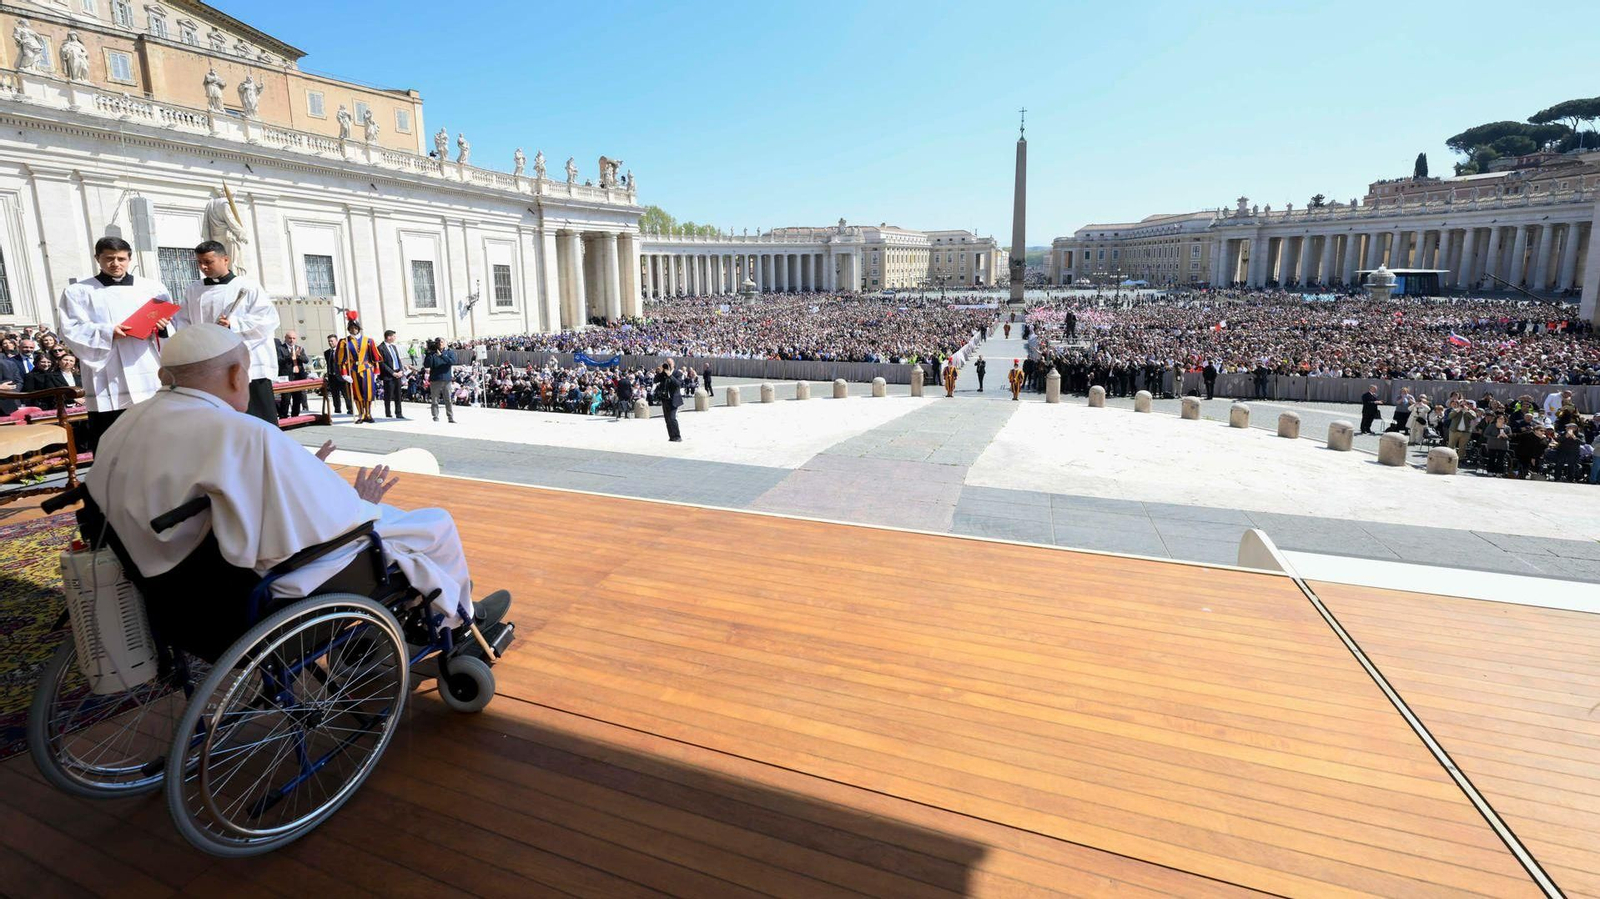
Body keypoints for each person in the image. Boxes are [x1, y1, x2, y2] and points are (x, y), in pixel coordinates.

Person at [86, 324, 490, 644]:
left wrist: (299, 473)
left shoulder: (123, 424)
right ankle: (457, 620)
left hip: (173, 591)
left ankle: (438, 606)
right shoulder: (241, 431)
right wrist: (358, 499)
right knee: (434, 524)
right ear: (236, 375)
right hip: (254, 589)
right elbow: (331, 521)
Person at [55, 236, 174, 449]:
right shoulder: (79, 291)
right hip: (106, 368)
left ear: (129, 259)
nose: (115, 264)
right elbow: (70, 329)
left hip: (144, 363)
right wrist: (108, 332)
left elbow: (170, 324)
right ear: (97, 259)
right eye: (109, 258)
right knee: (112, 434)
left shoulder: (153, 288)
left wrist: (163, 328)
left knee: (153, 429)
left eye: (121, 259)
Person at [175, 240, 280, 425]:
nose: (203, 267)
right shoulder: (193, 290)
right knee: (225, 420)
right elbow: (183, 321)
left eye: (208, 262)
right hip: (212, 361)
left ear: (225, 260)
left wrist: (233, 325)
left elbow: (268, 319)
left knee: (259, 418)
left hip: (249, 361)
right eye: (200, 262)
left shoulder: (248, 286)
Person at [335, 319, 381, 423]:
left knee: (368, 393)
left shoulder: (368, 340)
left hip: (367, 369)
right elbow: (341, 360)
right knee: (357, 393)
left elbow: (375, 358)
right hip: (353, 370)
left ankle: (368, 414)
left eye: (355, 327)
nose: (353, 329)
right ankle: (361, 414)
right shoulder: (344, 342)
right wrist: (344, 374)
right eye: (351, 328)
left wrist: (376, 372)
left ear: (359, 328)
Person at [422, 338, 456, 423]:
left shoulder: (449, 352)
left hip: (446, 379)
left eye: (442, 342)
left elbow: (452, 362)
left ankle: (450, 417)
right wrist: (428, 354)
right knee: (435, 399)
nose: (440, 344)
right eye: (438, 342)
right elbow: (426, 365)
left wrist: (441, 355)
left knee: (448, 399)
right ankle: (435, 416)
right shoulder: (432, 353)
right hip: (435, 379)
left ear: (445, 343)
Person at [275, 331, 309, 418]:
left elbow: (306, 360)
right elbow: (278, 361)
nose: (292, 340)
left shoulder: (299, 348)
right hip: (286, 377)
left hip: (298, 376)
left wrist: (299, 356)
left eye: (294, 338)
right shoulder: (280, 349)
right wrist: (289, 356)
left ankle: (295, 417)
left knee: (297, 398)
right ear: (285, 338)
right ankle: (283, 416)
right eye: (290, 338)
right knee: (286, 399)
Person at [378, 329, 408, 420]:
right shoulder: (380, 348)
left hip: (398, 373)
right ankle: (388, 413)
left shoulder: (394, 347)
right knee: (388, 395)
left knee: (398, 394)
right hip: (388, 375)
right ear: (389, 337)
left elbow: (398, 359)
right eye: (394, 336)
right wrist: (392, 373)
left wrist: (401, 371)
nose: (395, 338)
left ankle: (399, 413)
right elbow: (382, 363)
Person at [654, 358, 684, 442]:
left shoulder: (678, 373)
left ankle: (677, 436)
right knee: (667, 419)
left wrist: (670, 375)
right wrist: (660, 372)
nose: (669, 365)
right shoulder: (663, 373)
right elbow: (655, 380)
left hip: (674, 399)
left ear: (673, 364)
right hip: (665, 399)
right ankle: (672, 436)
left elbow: (678, 384)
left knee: (672, 418)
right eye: (667, 363)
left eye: (670, 364)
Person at [323, 334, 348, 415]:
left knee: (346, 394)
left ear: (336, 341)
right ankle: (337, 410)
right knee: (335, 395)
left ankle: (350, 409)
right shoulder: (327, 353)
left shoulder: (342, 351)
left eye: (332, 341)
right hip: (332, 376)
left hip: (341, 376)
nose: (330, 343)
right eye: (329, 341)